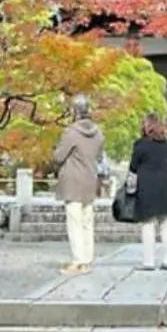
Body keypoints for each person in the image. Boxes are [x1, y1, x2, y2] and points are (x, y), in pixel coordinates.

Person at [51, 94, 105, 273]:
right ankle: (87, 259)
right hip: (90, 179)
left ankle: (78, 260)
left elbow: (59, 157)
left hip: (73, 180)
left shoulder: (71, 132)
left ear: (75, 112)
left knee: (74, 221)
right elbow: (99, 156)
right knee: (87, 221)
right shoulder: (98, 132)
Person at [130, 113, 167, 271]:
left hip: (147, 185)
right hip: (165, 184)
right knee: (165, 223)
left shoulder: (140, 145)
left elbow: (133, 166)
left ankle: (149, 261)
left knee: (148, 223)